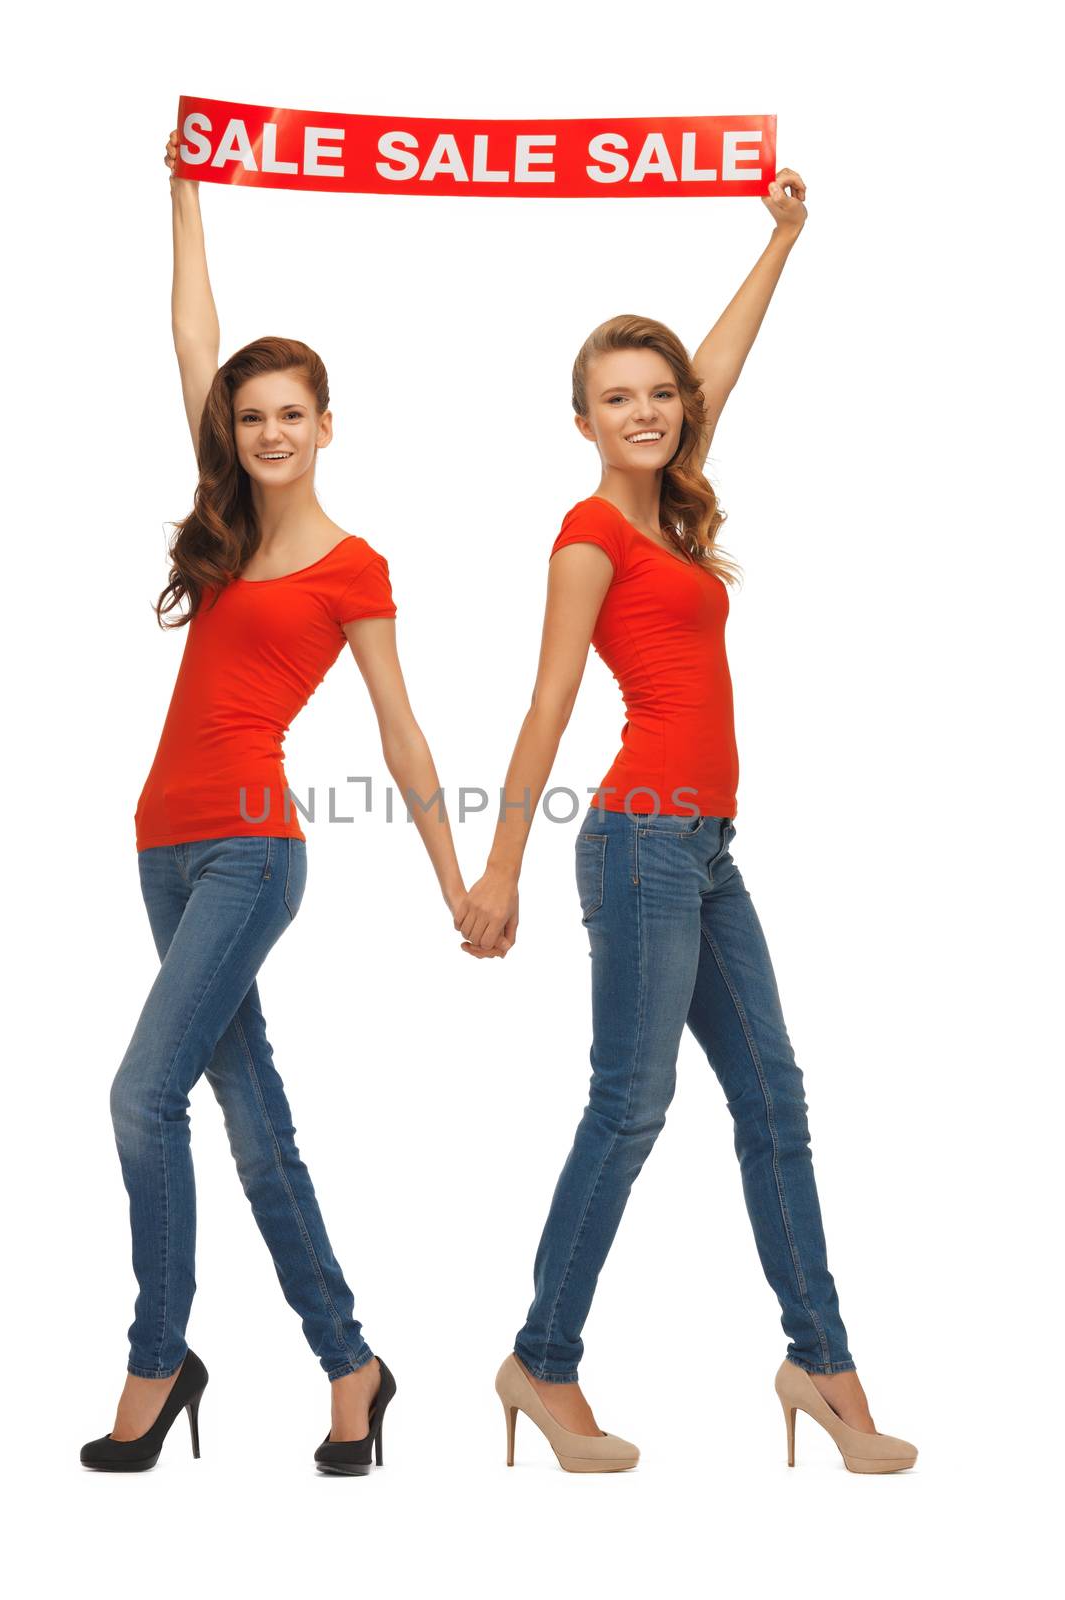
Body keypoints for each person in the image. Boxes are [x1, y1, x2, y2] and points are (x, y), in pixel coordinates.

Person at [456, 169, 918, 1475]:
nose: (649, 410)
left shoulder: (672, 500)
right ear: (584, 420)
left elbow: (721, 362)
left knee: (774, 1095)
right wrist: (500, 869)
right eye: (620, 398)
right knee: (633, 1101)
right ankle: (542, 1363)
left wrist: (782, 237)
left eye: (660, 394)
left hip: (704, 848)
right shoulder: (591, 531)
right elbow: (548, 703)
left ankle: (820, 1364)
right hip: (641, 842)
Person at [80, 128, 469, 1475]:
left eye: (290, 414)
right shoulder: (225, 521)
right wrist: (188, 189)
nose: (267, 432)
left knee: (143, 1097)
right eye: (250, 418)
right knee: (253, 1124)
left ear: (326, 424)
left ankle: (156, 1358)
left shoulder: (351, 567)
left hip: (251, 850)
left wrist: (464, 883)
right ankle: (351, 1366)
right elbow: (194, 332)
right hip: (162, 848)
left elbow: (404, 736)